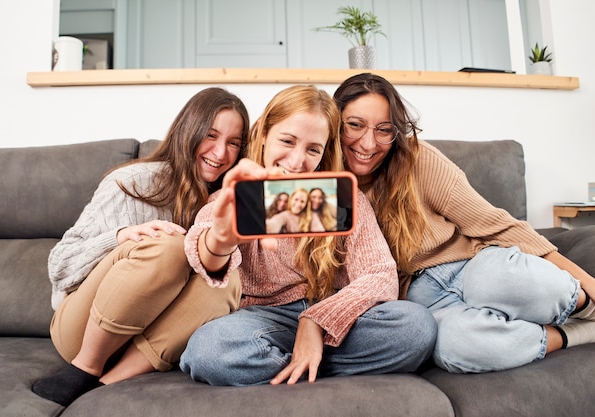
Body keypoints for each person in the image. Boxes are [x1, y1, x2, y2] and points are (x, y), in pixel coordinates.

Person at [333, 72, 595, 373]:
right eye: (355, 125)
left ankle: (586, 308)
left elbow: (498, 225)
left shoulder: (417, 160)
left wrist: (590, 285)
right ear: (334, 122)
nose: (368, 143)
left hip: (469, 266)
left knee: (504, 281)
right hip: (422, 303)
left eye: (384, 129)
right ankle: (574, 333)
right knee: (458, 347)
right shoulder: (321, 185)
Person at [178, 84, 437, 386]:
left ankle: (298, 361)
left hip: (334, 320)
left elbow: (380, 274)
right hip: (260, 322)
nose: (297, 161)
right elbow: (205, 252)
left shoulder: (343, 197)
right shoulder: (230, 199)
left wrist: (316, 320)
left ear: (324, 152)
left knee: (416, 327)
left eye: (313, 149)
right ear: (262, 136)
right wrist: (220, 241)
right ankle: (305, 365)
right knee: (208, 351)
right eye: (287, 141)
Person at [31, 87, 249, 405]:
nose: (220, 153)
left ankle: (106, 384)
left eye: (233, 143)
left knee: (227, 277)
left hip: (144, 345)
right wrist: (121, 236)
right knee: (171, 246)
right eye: (210, 136)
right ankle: (85, 368)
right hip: (81, 332)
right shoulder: (133, 182)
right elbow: (60, 265)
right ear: (188, 131)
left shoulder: (226, 201)